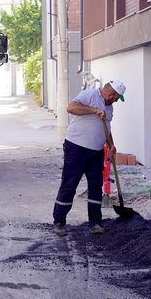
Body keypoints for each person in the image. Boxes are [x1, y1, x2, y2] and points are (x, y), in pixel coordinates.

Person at [53, 80, 125, 237]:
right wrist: (94, 110)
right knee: (69, 184)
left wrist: (111, 145)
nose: (116, 101)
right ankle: (59, 222)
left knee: (95, 186)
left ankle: (95, 223)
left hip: (96, 152)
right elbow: (70, 107)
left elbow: (106, 128)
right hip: (76, 149)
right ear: (110, 94)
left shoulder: (109, 107)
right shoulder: (90, 95)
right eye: (116, 98)